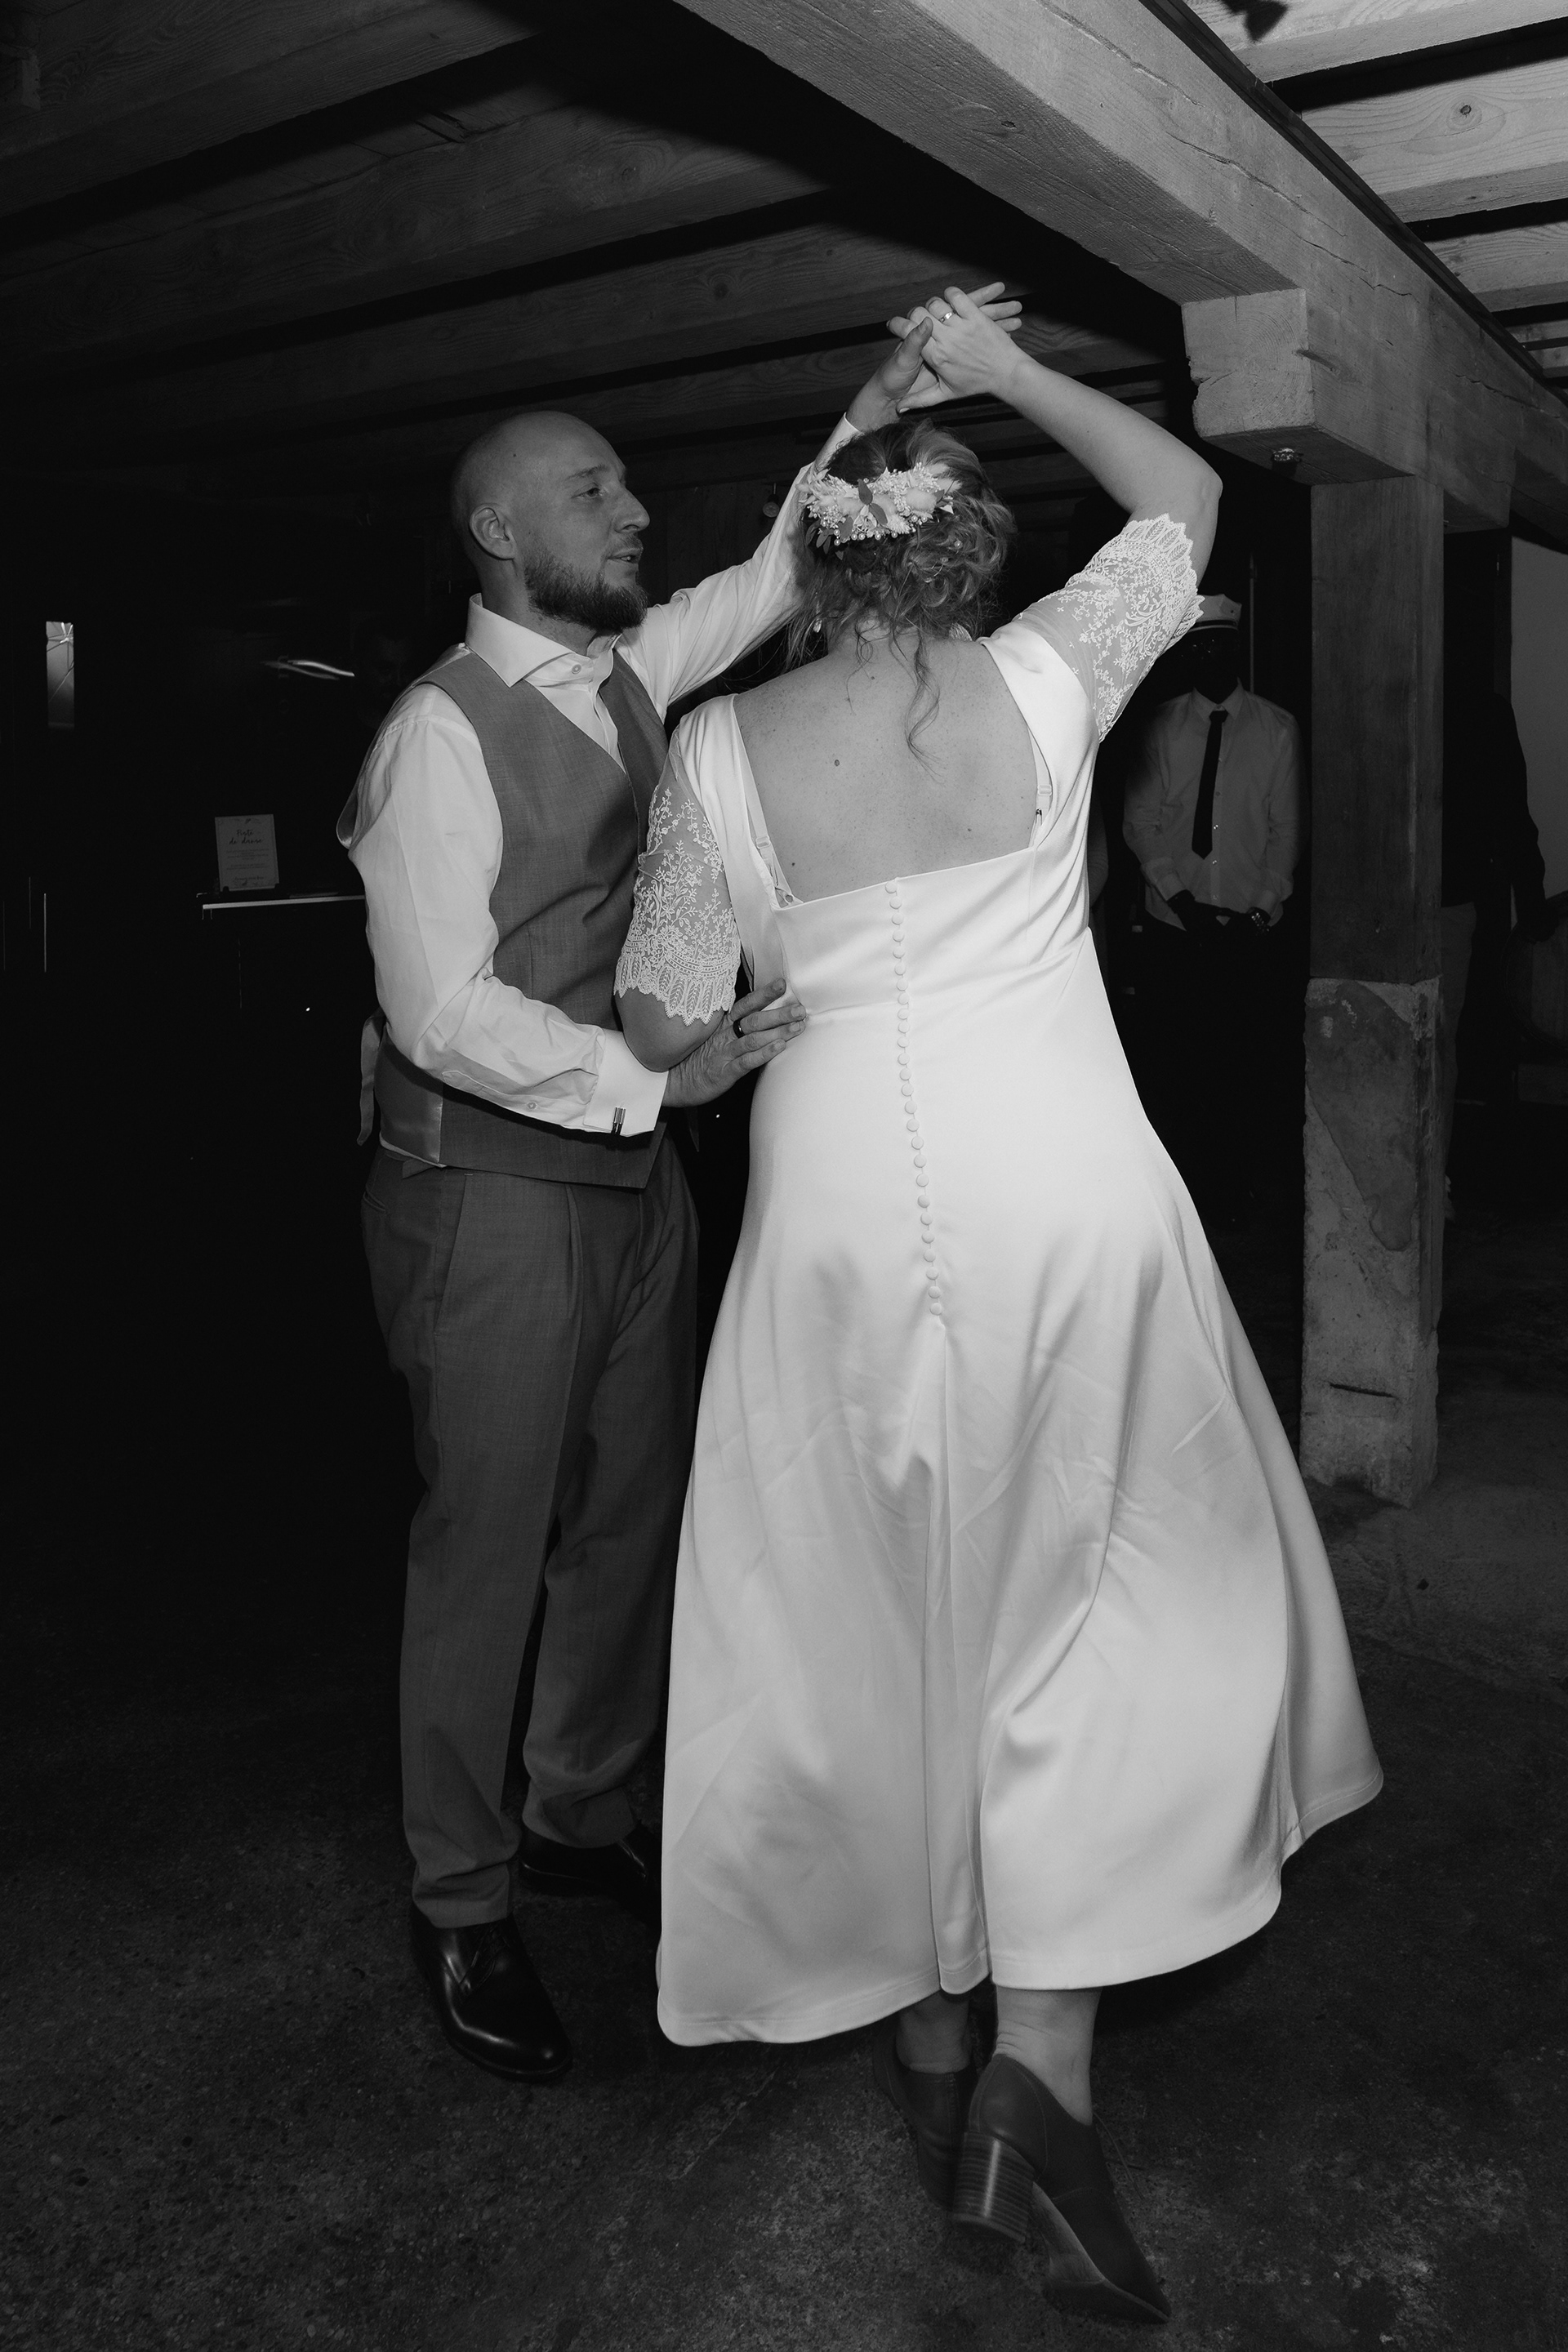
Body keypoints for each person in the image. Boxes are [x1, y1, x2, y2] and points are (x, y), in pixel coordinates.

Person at [612, 287, 1381, 2325]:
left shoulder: (716, 746)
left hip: (838, 1222)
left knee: (870, 1617)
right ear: (968, 559)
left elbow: (667, 1018)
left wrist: (727, 1028)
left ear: (816, 561)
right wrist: (1005, 368)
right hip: (1064, 1201)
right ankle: (1044, 2070)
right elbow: (1185, 495)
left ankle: (938, 2041)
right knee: (1100, 1603)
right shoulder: (1048, 679)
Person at [338, 291, 1025, 2087]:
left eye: (628, 483)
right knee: (485, 1551)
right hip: (490, 1193)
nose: (634, 508)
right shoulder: (434, 734)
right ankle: (461, 1897)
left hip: (638, 1180)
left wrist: (875, 398)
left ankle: (576, 1811)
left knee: (631, 1518)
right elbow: (437, 1007)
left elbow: (785, 567)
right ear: (500, 530)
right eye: (595, 490)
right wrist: (655, 1078)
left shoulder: (632, 671)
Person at [1120, 596, 1303, 1222]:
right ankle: (1185, 1192)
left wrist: (1260, 911)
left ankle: (1236, 1186)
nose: (1208, 656)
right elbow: (1141, 822)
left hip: (1249, 931)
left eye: (1218, 644)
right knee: (1179, 1063)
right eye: (1196, 645)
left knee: (1244, 1063)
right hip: (1177, 929)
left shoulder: (1277, 730)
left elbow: (1286, 831)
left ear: (1236, 648)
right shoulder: (1160, 727)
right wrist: (1181, 902)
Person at [1439, 677, 1551, 1198]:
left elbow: (1509, 808)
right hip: (1395, 897)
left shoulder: (1478, 710)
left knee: (1438, 1041)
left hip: (1449, 897)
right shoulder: (1476, 709)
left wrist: (1531, 899)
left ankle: (1433, 1175)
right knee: (1431, 1041)